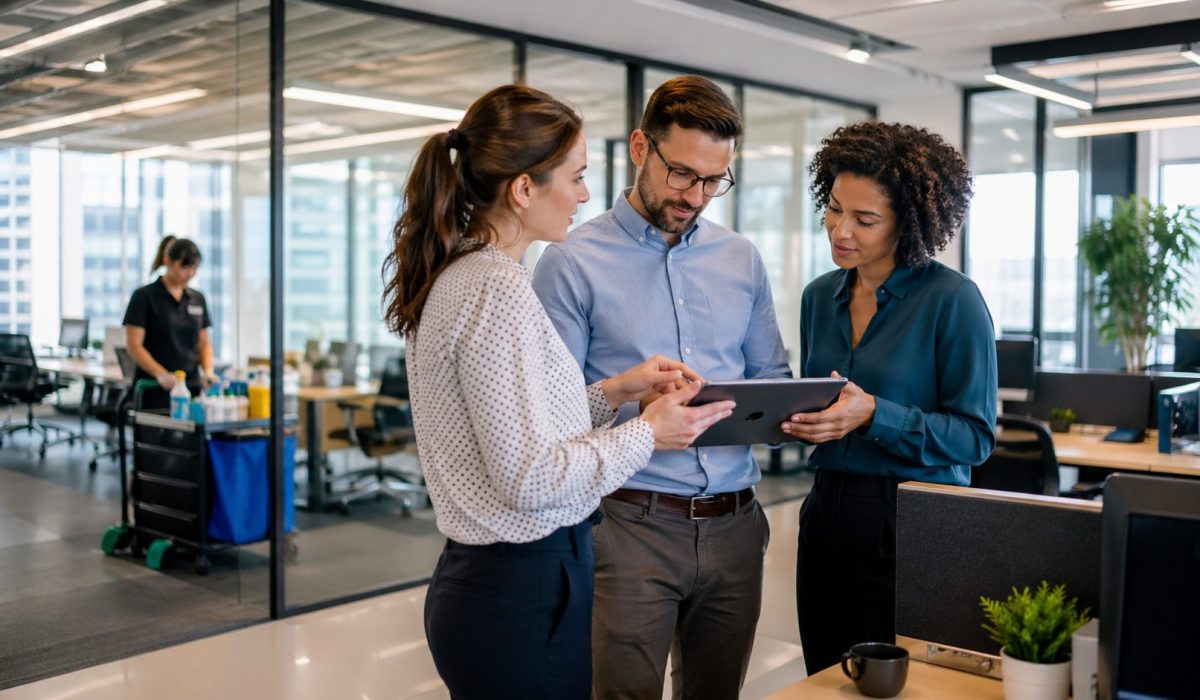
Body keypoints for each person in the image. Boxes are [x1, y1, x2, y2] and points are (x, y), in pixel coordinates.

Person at [381, 84, 735, 700]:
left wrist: (616, 393)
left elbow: (515, 425)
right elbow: (532, 478)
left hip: (496, 585)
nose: (584, 194)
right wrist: (648, 434)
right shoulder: (497, 290)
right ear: (524, 189)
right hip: (520, 588)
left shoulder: (467, 272)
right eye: (575, 176)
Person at [532, 75, 790, 699]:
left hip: (736, 525)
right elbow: (552, 418)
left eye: (713, 180)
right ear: (642, 147)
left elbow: (771, 380)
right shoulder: (570, 261)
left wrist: (802, 409)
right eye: (682, 174)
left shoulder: (741, 259)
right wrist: (638, 416)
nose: (696, 195)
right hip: (629, 527)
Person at [781, 121, 998, 674]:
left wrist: (876, 413)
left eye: (864, 219)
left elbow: (974, 438)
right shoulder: (817, 298)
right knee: (826, 676)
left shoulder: (953, 300)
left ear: (909, 223)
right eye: (833, 208)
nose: (840, 230)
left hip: (913, 518)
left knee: (902, 683)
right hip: (828, 509)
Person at [123, 236, 215, 409]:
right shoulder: (144, 296)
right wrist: (161, 374)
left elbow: (204, 343)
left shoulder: (197, 298)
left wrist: (208, 371)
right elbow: (134, 345)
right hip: (155, 387)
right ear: (168, 261)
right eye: (184, 267)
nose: (190, 273)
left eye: (194, 268)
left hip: (190, 387)